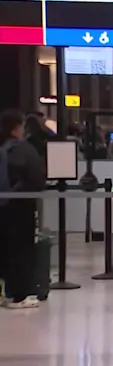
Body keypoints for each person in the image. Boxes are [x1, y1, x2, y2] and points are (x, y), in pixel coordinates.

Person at [0, 109, 47, 308]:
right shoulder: (24, 150)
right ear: (17, 127)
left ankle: (5, 292)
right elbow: (37, 178)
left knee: (5, 248)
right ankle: (19, 294)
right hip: (21, 207)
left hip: (3, 207)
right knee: (23, 249)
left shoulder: (3, 148)